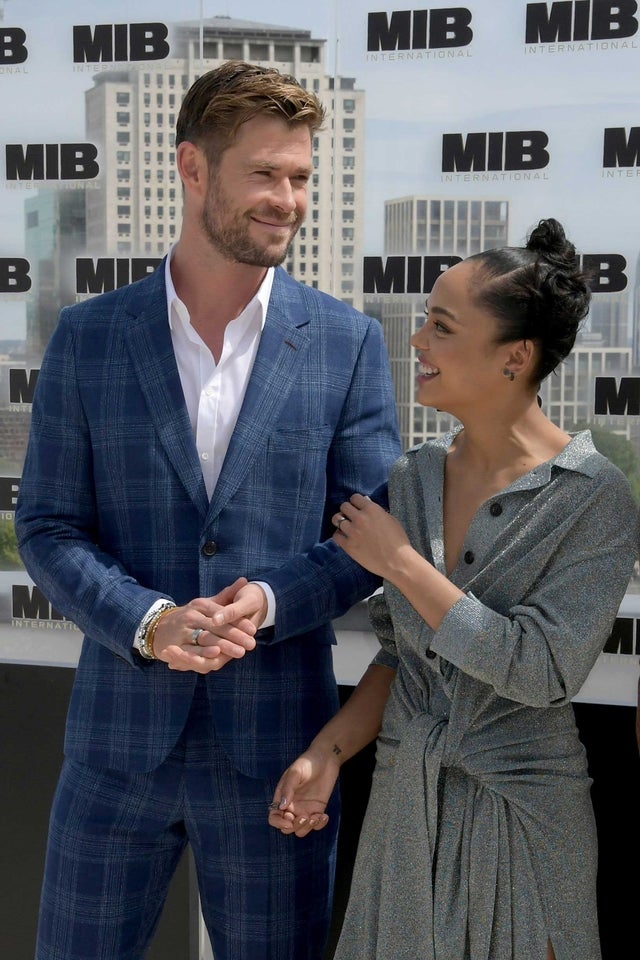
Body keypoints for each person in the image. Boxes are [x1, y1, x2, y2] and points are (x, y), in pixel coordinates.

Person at [14, 60, 401, 960]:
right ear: (193, 169)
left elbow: (366, 534)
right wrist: (147, 621)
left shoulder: (345, 344)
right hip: (115, 752)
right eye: (264, 173)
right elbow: (48, 526)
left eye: (301, 177)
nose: (288, 199)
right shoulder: (90, 337)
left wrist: (266, 601)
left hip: (277, 756)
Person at [268, 218, 640, 960]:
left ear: (516, 357)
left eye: (441, 326)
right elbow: (405, 656)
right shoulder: (414, 477)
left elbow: (540, 670)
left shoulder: (594, 497)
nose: (418, 343)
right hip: (406, 812)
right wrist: (329, 754)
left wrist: (402, 562)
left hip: (524, 822)